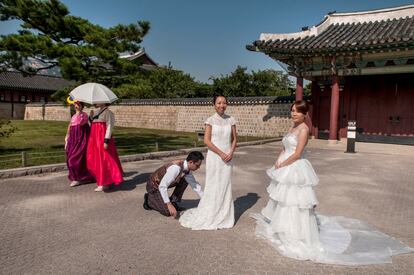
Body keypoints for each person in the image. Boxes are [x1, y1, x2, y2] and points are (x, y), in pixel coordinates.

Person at [251, 100, 413, 265]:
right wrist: (278, 160)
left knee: (295, 201)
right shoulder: (292, 127)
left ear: (305, 114)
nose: (294, 114)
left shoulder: (304, 129)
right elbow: (285, 148)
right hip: (284, 165)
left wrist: (283, 164)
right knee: (284, 199)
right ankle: (283, 227)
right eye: (292, 110)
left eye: (297, 111)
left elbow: (298, 153)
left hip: (294, 167)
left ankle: (297, 233)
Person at [179, 94, 237, 230]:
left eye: (224, 103)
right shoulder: (210, 120)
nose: (222, 105)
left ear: (226, 104)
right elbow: (207, 141)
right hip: (215, 157)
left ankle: (224, 215)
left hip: (228, 158)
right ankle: (211, 212)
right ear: (214, 105)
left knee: (225, 184)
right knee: (213, 184)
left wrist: (231, 152)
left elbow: (234, 139)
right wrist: (221, 153)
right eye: (218, 103)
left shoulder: (231, 120)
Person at [143, 151, 205, 218]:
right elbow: (162, 186)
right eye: (197, 165)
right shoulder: (176, 168)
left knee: (185, 180)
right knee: (167, 212)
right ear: (190, 162)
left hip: (161, 185)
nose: (198, 168)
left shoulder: (187, 171)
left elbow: (195, 186)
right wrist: (168, 204)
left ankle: (173, 202)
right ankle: (149, 200)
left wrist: (205, 198)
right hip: (153, 186)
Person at [86, 103, 123, 192]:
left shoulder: (108, 113)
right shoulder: (96, 112)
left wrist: (106, 140)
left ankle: (104, 182)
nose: (96, 102)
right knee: (96, 159)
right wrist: (90, 118)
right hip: (94, 138)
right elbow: (92, 125)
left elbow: (109, 126)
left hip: (102, 138)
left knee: (104, 160)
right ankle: (102, 181)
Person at [65, 100, 94, 187]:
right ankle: (76, 177)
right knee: (69, 158)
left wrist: (83, 114)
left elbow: (82, 124)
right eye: (75, 104)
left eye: (77, 104)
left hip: (81, 140)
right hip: (72, 140)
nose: (75, 106)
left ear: (81, 106)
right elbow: (70, 126)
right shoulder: (73, 116)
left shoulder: (84, 115)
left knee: (74, 159)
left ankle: (77, 178)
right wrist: (67, 136)